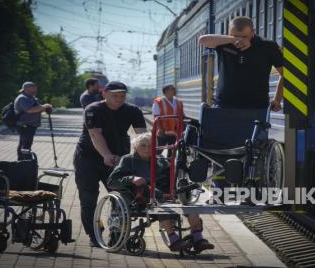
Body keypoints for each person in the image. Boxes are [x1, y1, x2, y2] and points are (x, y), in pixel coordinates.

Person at [199, 16, 284, 199]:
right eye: (234, 35)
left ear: (252, 32)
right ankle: (220, 192)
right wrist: (232, 39)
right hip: (224, 106)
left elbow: (286, 74)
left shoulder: (268, 47)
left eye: (243, 35)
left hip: (256, 108)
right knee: (219, 149)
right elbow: (203, 40)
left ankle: (251, 191)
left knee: (254, 152)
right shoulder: (224, 44)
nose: (238, 39)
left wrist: (277, 98)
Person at [108, 133, 215, 252]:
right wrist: (131, 179)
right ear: (135, 147)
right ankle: (173, 240)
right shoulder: (127, 160)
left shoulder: (161, 161)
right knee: (163, 206)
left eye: (150, 145)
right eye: (143, 145)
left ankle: (198, 238)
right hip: (140, 196)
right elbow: (112, 182)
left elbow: (172, 180)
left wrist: (177, 191)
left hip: (163, 194)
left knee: (189, 205)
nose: (147, 148)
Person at [73, 81, 146, 247]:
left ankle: (116, 234)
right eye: (115, 96)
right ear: (104, 94)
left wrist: (143, 156)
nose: (119, 99)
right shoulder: (93, 109)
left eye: (122, 96)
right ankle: (94, 234)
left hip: (117, 159)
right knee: (88, 197)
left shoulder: (132, 111)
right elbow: (95, 134)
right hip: (87, 157)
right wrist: (106, 154)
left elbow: (143, 136)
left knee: (121, 195)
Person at [14, 82, 52, 160]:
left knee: (24, 143)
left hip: (31, 125)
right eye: (33, 88)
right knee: (26, 144)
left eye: (35, 88)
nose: (35, 90)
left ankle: (22, 161)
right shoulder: (22, 98)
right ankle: (25, 161)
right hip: (24, 125)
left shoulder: (33, 98)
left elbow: (38, 109)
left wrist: (46, 109)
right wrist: (44, 106)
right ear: (26, 89)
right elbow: (29, 110)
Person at [152, 84, 185, 157]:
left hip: (174, 132)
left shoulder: (179, 101)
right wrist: (160, 129)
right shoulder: (158, 102)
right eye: (172, 89)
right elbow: (156, 117)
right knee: (158, 151)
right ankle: (156, 166)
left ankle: (169, 167)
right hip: (163, 131)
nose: (174, 90)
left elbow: (181, 115)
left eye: (174, 88)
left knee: (172, 153)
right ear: (166, 91)